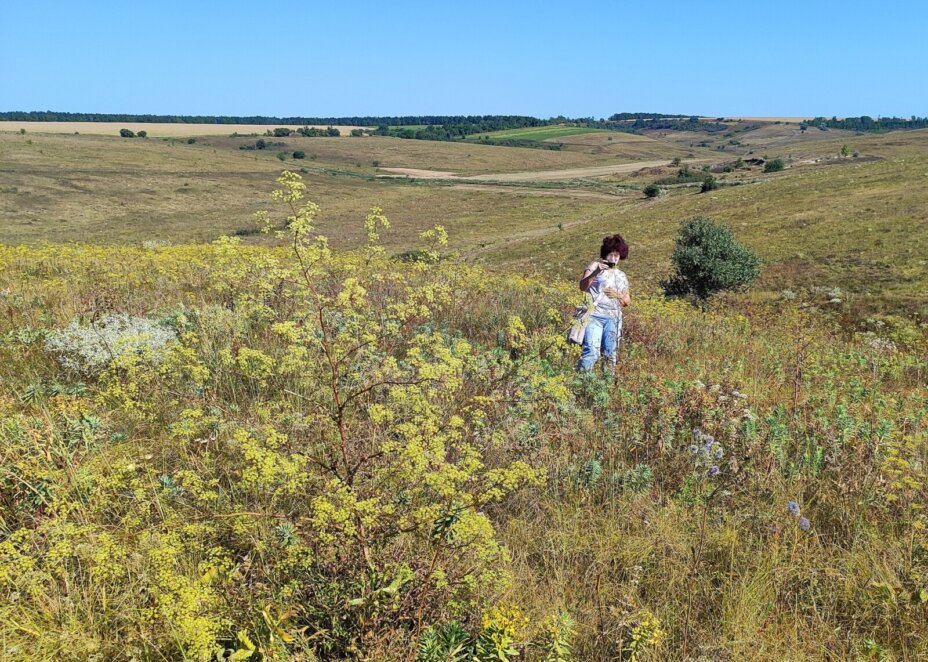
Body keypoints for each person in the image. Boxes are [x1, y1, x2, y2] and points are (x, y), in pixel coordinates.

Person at [577, 234, 631, 372]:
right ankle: (583, 384)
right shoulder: (595, 266)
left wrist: (617, 295)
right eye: (611, 255)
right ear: (605, 254)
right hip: (594, 316)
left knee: (610, 354)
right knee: (591, 352)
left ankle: (606, 385)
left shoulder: (621, 275)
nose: (613, 259)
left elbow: (627, 301)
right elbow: (582, 286)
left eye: (617, 256)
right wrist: (596, 272)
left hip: (613, 318)